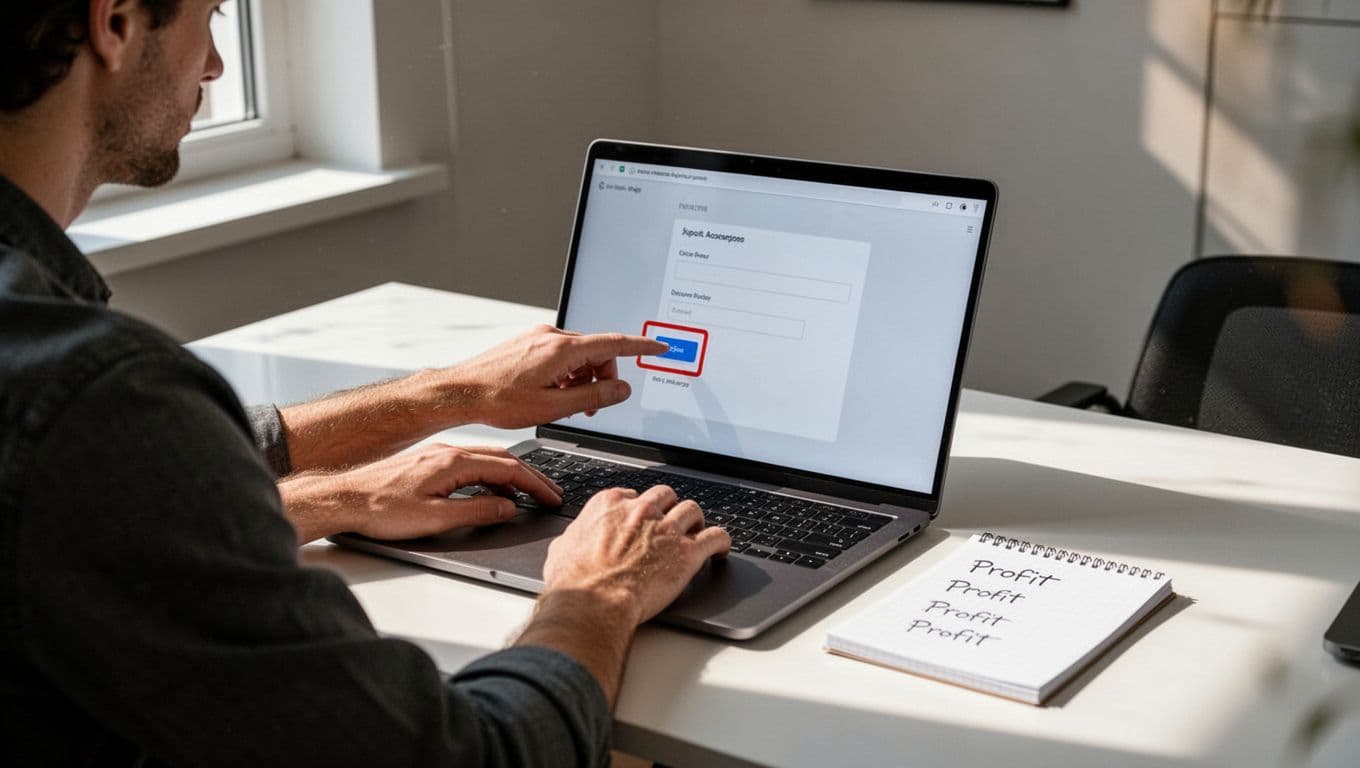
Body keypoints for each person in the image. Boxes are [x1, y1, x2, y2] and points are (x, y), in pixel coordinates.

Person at [0, 1, 730, 765]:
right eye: (210, 15)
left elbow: (120, 491)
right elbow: (472, 756)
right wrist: (597, 593)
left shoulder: (63, 388)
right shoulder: (93, 399)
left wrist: (430, 412)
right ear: (113, 21)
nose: (215, 64)